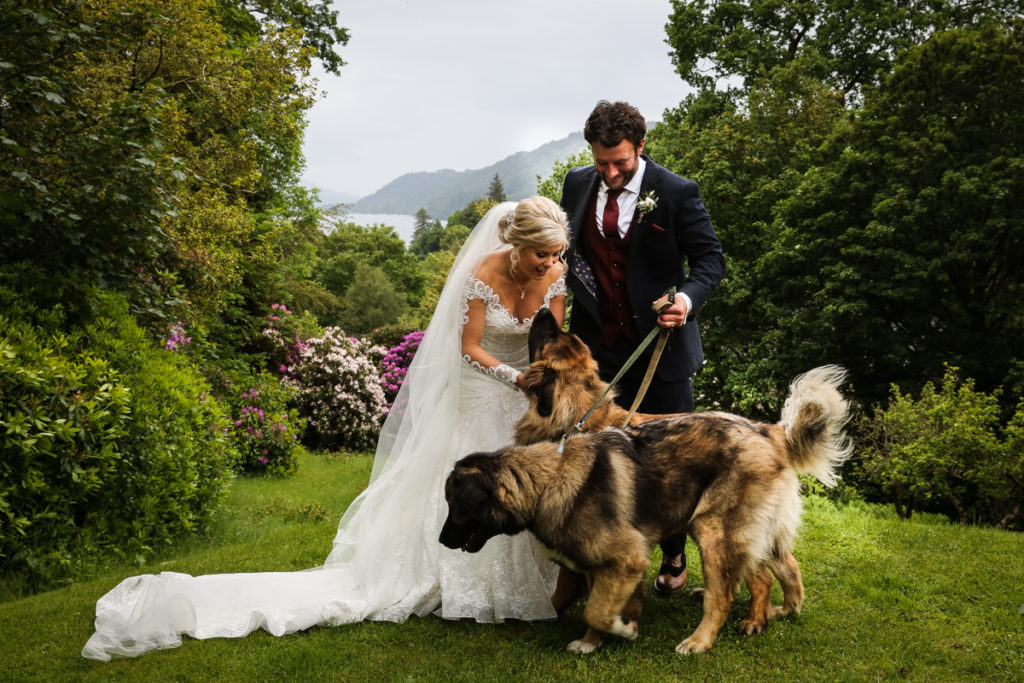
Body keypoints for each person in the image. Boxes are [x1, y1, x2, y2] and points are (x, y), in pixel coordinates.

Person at [82, 197, 570, 660]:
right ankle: (462, 579)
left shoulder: (556, 275)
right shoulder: (481, 273)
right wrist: (510, 377)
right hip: (482, 386)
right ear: (516, 245)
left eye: (556, 255)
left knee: (524, 481)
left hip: (526, 399)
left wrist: (542, 385)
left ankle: (542, 579)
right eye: (540, 256)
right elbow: (468, 346)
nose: (549, 265)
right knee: (474, 480)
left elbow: (550, 339)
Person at [560, 100, 725, 595]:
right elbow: (568, 252)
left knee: (670, 461)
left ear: (641, 148)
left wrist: (686, 302)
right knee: (595, 457)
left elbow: (710, 261)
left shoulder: (676, 192)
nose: (609, 173)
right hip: (598, 352)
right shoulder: (575, 183)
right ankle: (600, 558)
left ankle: (674, 558)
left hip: (662, 352)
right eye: (601, 163)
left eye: (621, 163)